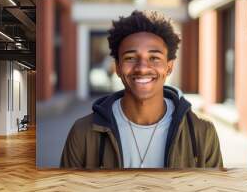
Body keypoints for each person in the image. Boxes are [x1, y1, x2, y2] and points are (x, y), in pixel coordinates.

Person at [60, 10, 223, 169]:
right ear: (117, 67)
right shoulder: (83, 132)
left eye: (154, 58)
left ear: (169, 67)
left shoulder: (202, 131)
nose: (142, 68)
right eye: (130, 58)